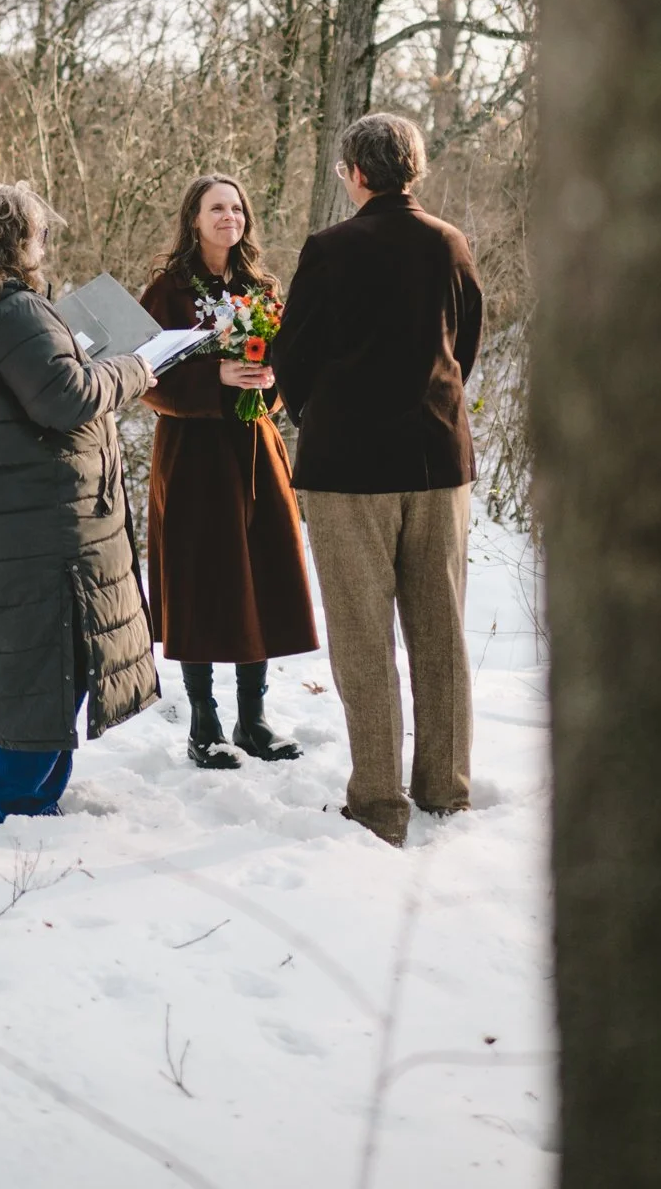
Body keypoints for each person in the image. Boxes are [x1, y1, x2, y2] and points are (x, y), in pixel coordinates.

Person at [0, 182, 159, 823]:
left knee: (15, 656)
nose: (44, 244)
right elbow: (65, 399)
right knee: (45, 662)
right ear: (15, 238)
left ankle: (12, 795)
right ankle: (21, 808)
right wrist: (134, 367)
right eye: (38, 233)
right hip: (38, 520)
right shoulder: (15, 311)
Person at [272, 114, 483, 847]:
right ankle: (444, 790)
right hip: (436, 459)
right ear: (412, 170)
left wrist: (313, 412)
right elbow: (467, 343)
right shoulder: (449, 243)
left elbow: (290, 355)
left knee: (363, 638)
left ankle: (377, 803)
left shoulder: (330, 250)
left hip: (348, 468)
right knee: (440, 631)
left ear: (354, 173)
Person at [140, 173, 318, 769]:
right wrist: (214, 380)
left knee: (258, 574)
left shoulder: (261, 288)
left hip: (254, 452)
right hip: (191, 455)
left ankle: (253, 718)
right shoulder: (167, 291)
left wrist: (268, 385)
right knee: (200, 577)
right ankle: (204, 722)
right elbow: (145, 377)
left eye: (237, 208)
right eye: (217, 208)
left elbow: (286, 368)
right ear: (194, 217)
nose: (229, 218)